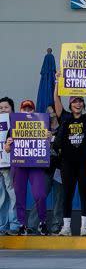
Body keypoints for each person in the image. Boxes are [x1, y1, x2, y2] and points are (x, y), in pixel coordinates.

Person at [53, 70, 86, 237]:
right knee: (68, 193)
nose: (78, 104)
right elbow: (56, 99)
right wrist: (58, 81)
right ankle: (66, 227)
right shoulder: (64, 117)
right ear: (70, 104)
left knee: (84, 192)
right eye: (75, 102)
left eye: (80, 101)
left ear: (83, 104)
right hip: (67, 162)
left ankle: (84, 227)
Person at [4, 100, 51, 235]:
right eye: (25, 109)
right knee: (19, 196)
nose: (27, 111)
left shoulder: (42, 125)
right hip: (19, 165)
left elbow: (48, 146)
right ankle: (22, 224)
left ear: (34, 111)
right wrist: (8, 144)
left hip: (36, 165)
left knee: (40, 194)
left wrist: (49, 137)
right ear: (20, 110)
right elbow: (7, 149)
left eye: (30, 109)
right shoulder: (13, 127)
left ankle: (42, 222)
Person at [28, 104, 63, 235]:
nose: (52, 114)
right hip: (46, 169)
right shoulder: (40, 127)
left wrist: (53, 138)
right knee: (40, 196)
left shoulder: (64, 126)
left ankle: (56, 225)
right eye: (48, 112)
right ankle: (32, 225)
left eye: (53, 111)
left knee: (60, 198)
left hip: (61, 168)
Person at [0, 97, 18, 235]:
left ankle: (14, 225)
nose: (3, 110)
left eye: (6, 107)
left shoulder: (17, 123)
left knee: (12, 196)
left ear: (12, 109)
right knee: (1, 197)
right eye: (0, 108)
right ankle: (2, 226)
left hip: (9, 165)